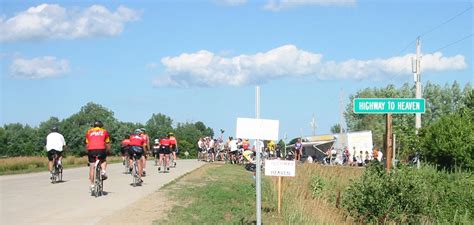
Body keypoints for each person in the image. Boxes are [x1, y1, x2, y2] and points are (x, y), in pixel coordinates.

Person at [85, 121, 111, 191]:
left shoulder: (89, 131)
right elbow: (107, 143)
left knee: (91, 167)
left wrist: (87, 152)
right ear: (101, 126)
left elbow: (87, 144)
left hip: (91, 150)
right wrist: (108, 151)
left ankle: (92, 185)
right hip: (101, 149)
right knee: (103, 160)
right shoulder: (104, 131)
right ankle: (103, 171)